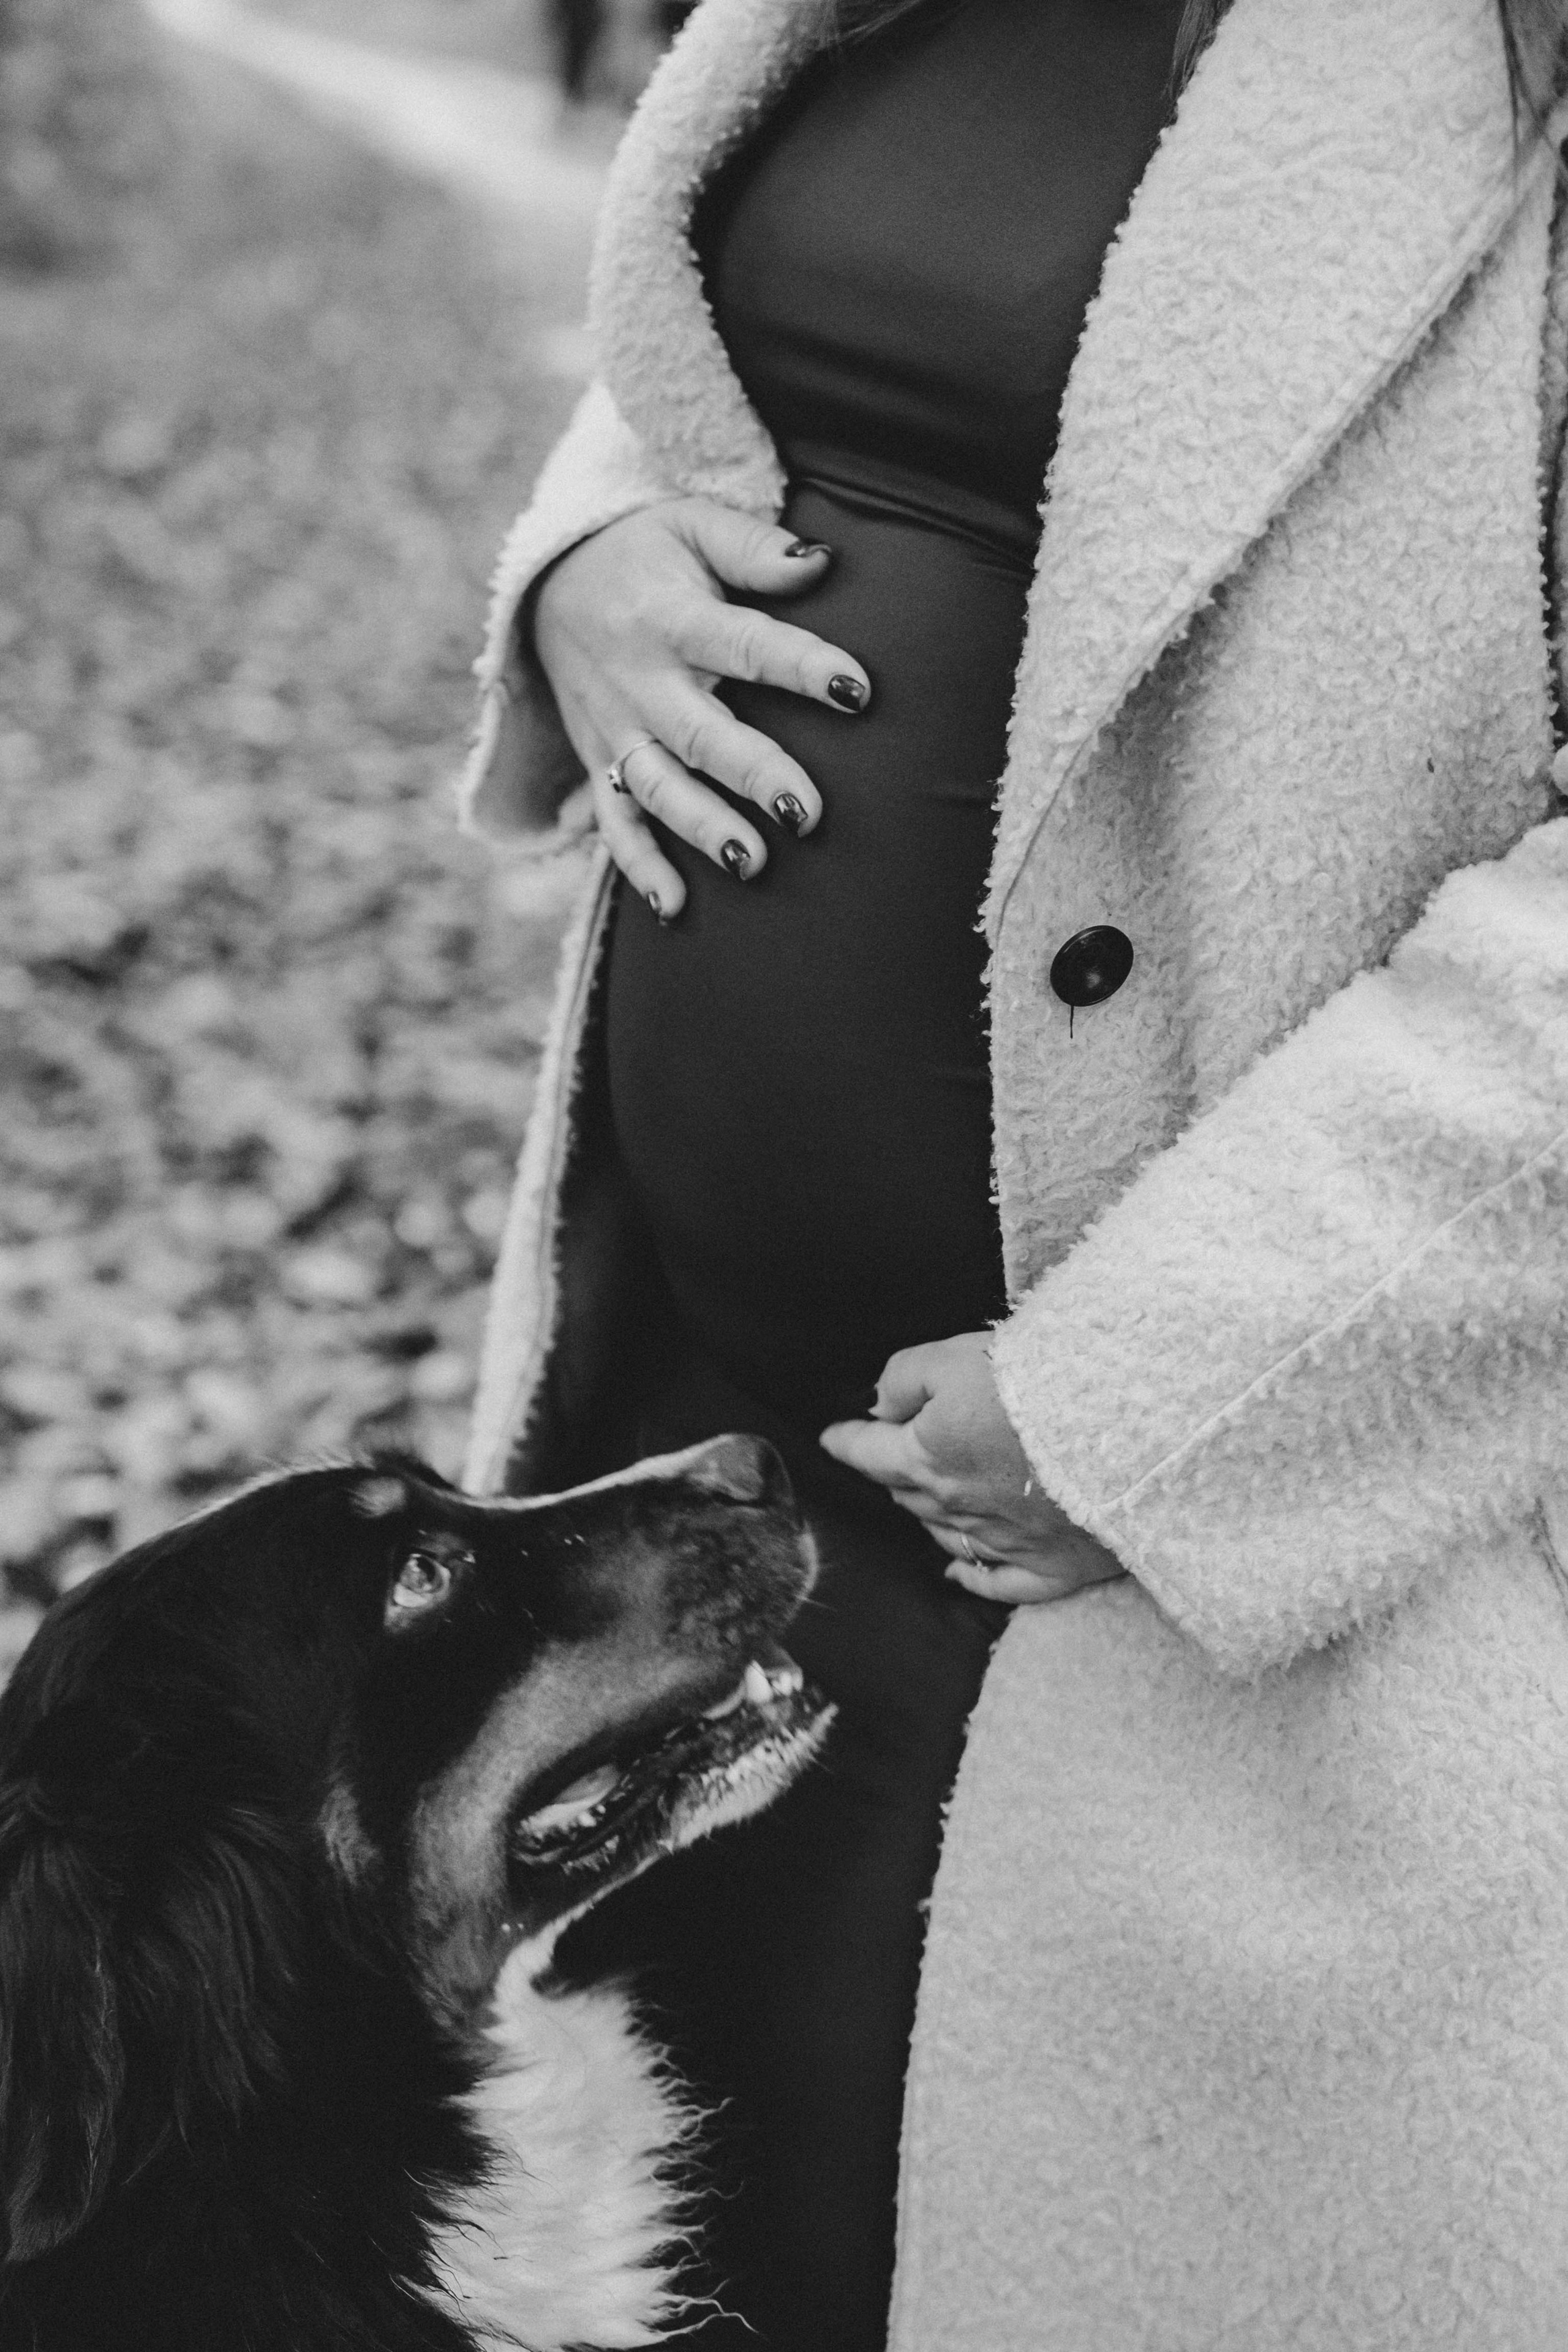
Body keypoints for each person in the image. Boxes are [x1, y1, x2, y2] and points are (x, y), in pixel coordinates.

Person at [459, 0, 1568, 2343]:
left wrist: (1165, 1401)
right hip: (686, 1428)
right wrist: (583, 560)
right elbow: (747, 381)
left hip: (1186, 1563)